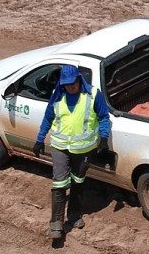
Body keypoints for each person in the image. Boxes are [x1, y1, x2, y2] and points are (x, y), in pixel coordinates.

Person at [32, 64, 112, 242]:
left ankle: (74, 215)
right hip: (60, 147)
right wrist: (39, 139)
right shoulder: (58, 95)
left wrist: (104, 138)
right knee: (59, 183)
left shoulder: (92, 95)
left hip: (84, 150)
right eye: (66, 84)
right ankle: (56, 224)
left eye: (73, 83)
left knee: (78, 182)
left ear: (79, 79)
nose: (70, 87)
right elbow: (48, 118)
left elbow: (103, 117)